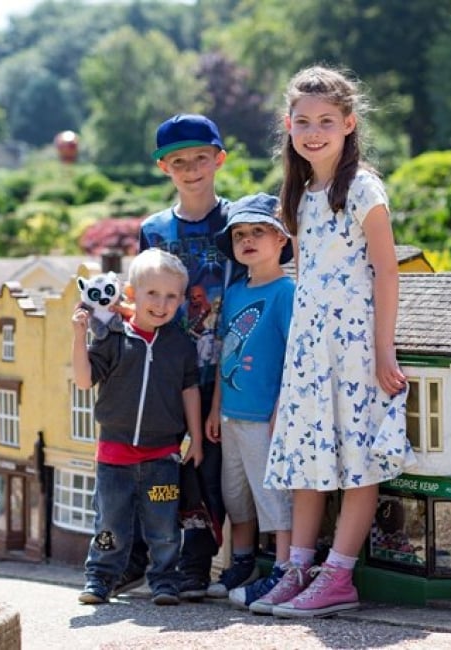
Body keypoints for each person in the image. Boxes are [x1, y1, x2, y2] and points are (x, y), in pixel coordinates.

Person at [255, 66, 415, 618]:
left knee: (357, 461)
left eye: (326, 121)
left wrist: (385, 350)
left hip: (356, 349)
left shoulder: (363, 188)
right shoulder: (299, 194)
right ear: (288, 125)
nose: (314, 131)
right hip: (309, 351)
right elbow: (305, 278)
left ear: (349, 124)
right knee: (307, 459)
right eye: (303, 121)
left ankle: (338, 576)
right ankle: (298, 567)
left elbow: (387, 271)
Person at [122, 113, 240, 601]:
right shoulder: (153, 229)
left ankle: (196, 563)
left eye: (200, 158)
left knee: (206, 470)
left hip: (221, 368)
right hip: (164, 369)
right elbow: (141, 295)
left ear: (219, 160)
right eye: (178, 161)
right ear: (163, 168)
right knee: (153, 465)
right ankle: (140, 559)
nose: (191, 168)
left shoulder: (238, 222)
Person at [73, 248, 204, 607]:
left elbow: (189, 389)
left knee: (163, 526)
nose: (161, 304)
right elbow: (84, 381)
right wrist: (79, 335)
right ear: (131, 293)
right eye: (152, 294)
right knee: (110, 523)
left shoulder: (179, 344)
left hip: (163, 456)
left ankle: (164, 581)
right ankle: (99, 579)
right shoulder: (113, 339)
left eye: (171, 296)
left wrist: (195, 439)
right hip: (114, 457)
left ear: (180, 300)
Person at [200, 193, 295, 606]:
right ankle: (242, 561)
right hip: (231, 415)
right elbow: (226, 352)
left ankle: (285, 567)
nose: (248, 240)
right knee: (235, 494)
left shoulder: (285, 291)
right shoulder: (236, 291)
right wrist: (216, 407)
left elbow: (295, 356)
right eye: (240, 234)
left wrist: (282, 409)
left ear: (280, 240)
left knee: (271, 494)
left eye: (259, 231)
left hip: (263, 416)